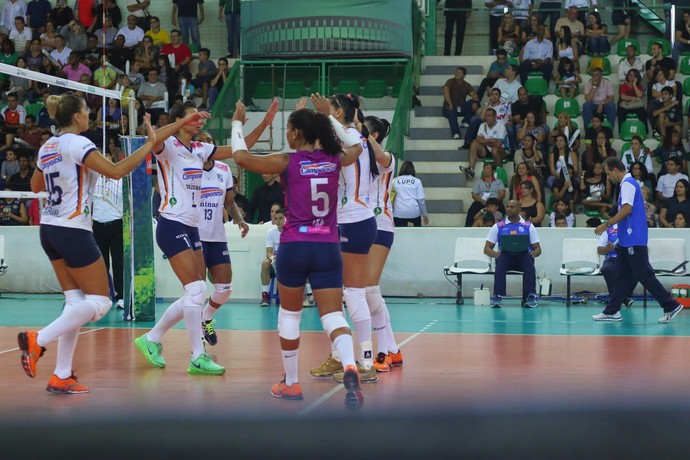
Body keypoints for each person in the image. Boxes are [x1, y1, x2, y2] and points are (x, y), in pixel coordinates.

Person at [17, 94, 156, 394]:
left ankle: (61, 374)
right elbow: (117, 172)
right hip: (72, 229)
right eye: (86, 113)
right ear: (78, 117)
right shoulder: (78, 144)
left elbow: (35, 186)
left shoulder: (48, 146)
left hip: (50, 228)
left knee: (76, 304)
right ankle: (37, 339)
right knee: (102, 301)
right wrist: (147, 146)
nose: (88, 117)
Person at [231, 97, 365, 409]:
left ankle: (291, 383)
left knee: (290, 315)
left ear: (293, 134)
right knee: (333, 315)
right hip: (328, 246)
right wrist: (328, 117)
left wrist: (238, 122)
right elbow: (358, 146)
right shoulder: (335, 159)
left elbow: (240, 156)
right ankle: (349, 364)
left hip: (294, 245)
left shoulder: (286, 162)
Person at [134, 99, 278, 376]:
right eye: (193, 117)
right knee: (197, 291)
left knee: (197, 292)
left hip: (192, 226)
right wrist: (180, 122)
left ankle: (151, 339)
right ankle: (197, 356)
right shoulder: (168, 145)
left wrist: (264, 123)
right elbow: (155, 140)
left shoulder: (200, 149)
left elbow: (239, 149)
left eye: (200, 118)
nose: (200, 121)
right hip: (171, 222)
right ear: (179, 120)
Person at [593, 157, 684, 323]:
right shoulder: (628, 184)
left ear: (615, 170)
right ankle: (612, 311)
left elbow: (627, 209)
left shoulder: (627, 184)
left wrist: (607, 224)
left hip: (633, 238)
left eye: (608, 173)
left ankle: (670, 305)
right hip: (626, 240)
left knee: (644, 275)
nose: (608, 177)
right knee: (620, 277)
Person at [193, 130, 249, 345]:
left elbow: (229, 202)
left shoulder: (224, 169)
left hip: (216, 236)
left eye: (210, 140)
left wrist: (240, 220)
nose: (206, 143)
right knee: (197, 290)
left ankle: (205, 318)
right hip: (194, 235)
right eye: (201, 141)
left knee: (225, 288)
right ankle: (197, 345)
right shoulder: (189, 168)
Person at [360, 115, 403, 372]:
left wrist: (361, 132)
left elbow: (381, 159)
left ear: (373, 135)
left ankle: (381, 352)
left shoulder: (386, 156)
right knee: (367, 291)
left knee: (368, 288)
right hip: (359, 224)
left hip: (381, 224)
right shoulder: (357, 158)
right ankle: (393, 350)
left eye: (363, 131)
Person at [484, 199, 542, 308]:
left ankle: (530, 296)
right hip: (506, 258)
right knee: (501, 259)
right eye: (507, 206)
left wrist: (533, 254)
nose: (509, 209)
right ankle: (497, 295)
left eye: (512, 207)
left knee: (528, 259)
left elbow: (538, 249)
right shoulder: (498, 226)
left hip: (523, 258)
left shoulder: (528, 226)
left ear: (519, 209)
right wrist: (497, 255)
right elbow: (487, 248)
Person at [91, 145, 124, 309]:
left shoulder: (121, 181)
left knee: (119, 262)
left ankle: (121, 296)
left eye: (108, 163)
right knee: (101, 263)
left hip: (117, 225)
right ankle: (103, 296)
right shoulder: (94, 182)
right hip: (98, 226)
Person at [463, 108, 508, 178]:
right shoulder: (482, 125)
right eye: (486, 116)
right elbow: (477, 140)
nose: (487, 118)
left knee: (495, 150)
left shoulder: (501, 126)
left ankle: (499, 172)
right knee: (474, 144)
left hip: (501, 150)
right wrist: (490, 140)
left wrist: (483, 140)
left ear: (494, 117)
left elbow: (498, 145)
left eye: (489, 116)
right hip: (487, 150)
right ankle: (471, 170)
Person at [598, 223, 634, 309]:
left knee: (636, 269)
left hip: (628, 259)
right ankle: (624, 298)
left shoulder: (633, 229)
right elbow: (599, 250)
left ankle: (621, 296)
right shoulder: (608, 231)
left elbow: (644, 248)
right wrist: (607, 249)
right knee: (606, 269)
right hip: (612, 258)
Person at [442, 67, 479, 140]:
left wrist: (475, 102)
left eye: (459, 73)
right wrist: (450, 104)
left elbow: (474, 95)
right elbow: (445, 91)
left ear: (464, 76)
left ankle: (465, 121)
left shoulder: (466, 85)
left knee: (476, 102)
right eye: (456, 72)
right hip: (448, 108)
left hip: (460, 108)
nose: (457, 74)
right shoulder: (450, 81)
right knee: (452, 112)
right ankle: (456, 133)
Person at [465, 162, 506, 227]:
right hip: (482, 201)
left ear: (493, 171)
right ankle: (467, 229)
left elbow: (502, 194)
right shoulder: (478, 182)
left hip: (494, 200)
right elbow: (474, 195)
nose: (485, 170)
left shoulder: (499, 182)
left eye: (487, 168)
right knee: (472, 210)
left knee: (502, 208)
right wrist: (481, 201)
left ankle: (503, 228)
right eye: (484, 168)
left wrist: (494, 202)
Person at [392, 160, 429, 227]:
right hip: (414, 212)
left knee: (400, 235)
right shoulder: (417, 181)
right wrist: (425, 215)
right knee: (417, 234)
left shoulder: (394, 181)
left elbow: (391, 199)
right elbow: (421, 200)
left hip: (399, 213)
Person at [260, 206, 284, 307]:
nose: (278, 221)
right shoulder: (271, 232)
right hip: (275, 263)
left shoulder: (291, 232)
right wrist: (274, 259)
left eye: (280, 218)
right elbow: (268, 252)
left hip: (289, 263)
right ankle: (265, 295)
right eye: (276, 218)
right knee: (265, 263)